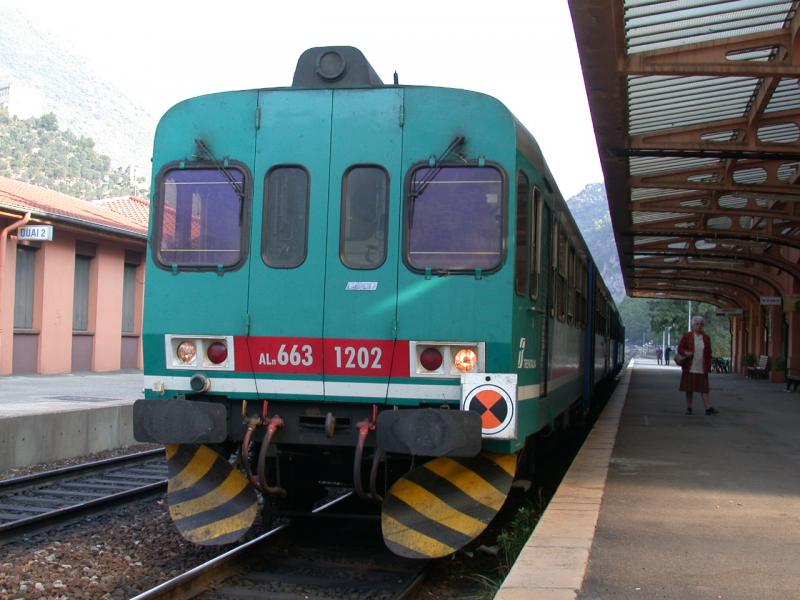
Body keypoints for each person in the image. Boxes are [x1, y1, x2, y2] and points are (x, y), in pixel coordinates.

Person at [677, 316, 719, 415]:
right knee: (689, 389)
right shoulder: (687, 336)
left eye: (701, 324)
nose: (699, 326)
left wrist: (708, 366)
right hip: (690, 367)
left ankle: (708, 408)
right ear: (693, 325)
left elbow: (709, 353)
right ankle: (689, 408)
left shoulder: (706, 338)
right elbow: (680, 348)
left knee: (704, 389)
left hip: (702, 367)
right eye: (697, 324)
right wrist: (685, 353)